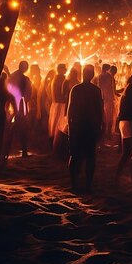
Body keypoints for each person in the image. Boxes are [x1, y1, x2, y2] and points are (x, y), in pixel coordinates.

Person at [67, 64, 104, 193]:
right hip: (90, 126)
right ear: (92, 74)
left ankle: (74, 184)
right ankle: (88, 185)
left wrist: (70, 126)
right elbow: (100, 110)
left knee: (75, 155)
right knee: (90, 156)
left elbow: (70, 110)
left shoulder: (76, 89)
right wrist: (100, 126)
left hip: (77, 125)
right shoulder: (96, 90)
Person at [8, 61, 32, 157]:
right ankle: (21, 149)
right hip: (19, 105)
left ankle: (9, 148)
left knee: (17, 126)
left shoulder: (14, 76)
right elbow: (28, 93)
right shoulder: (22, 78)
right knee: (20, 126)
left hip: (17, 104)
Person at [94, 63, 116, 139]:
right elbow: (110, 87)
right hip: (108, 98)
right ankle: (108, 134)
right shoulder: (108, 76)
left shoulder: (99, 76)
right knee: (109, 116)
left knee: (104, 116)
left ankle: (103, 134)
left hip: (102, 98)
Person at [48, 63, 67, 144]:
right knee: (59, 123)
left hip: (55, 104)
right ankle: (57, 142)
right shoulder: (61, 78)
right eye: (65, 68)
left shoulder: (54, 78)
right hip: (60, 104)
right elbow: (63, 93)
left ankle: (53, 141)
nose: (66, 70)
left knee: (54, 123)